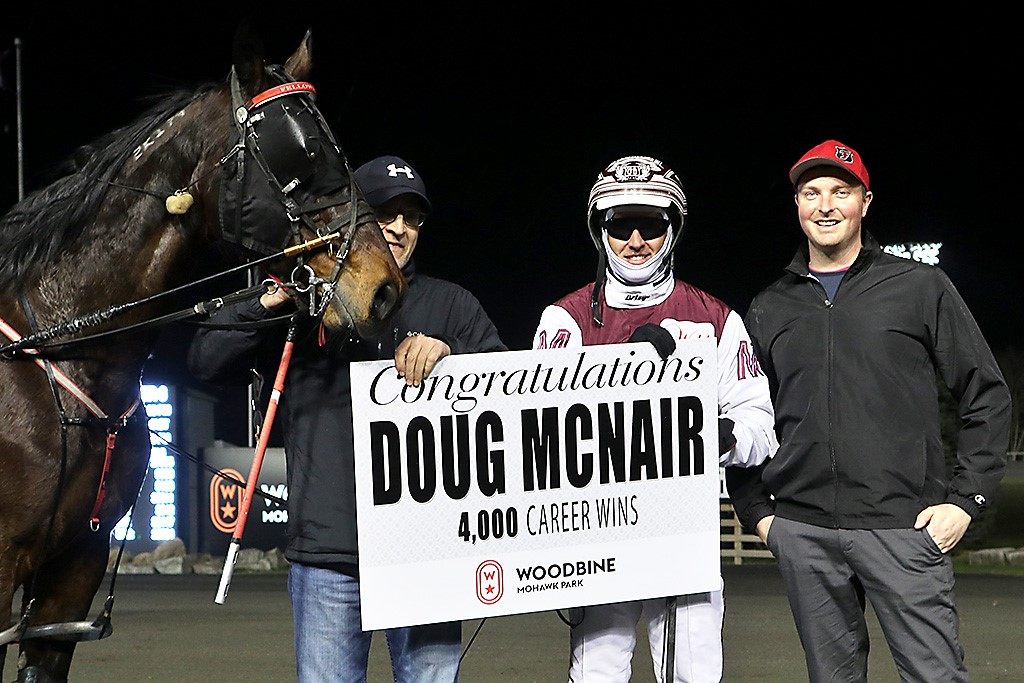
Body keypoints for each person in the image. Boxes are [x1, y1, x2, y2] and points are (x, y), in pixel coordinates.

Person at [188, 155, 507, 682]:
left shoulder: (452, 305)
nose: (401, 228)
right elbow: (205, 361)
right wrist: (269, 301)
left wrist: (451, 356)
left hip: (424, 552)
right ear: (351, 219)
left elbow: (512, 388)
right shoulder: (304, 303)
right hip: (329, 553)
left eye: (412, 218)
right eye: (385, 214)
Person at [727, 139, 1012, 682]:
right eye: (811, 193)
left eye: (841, 191)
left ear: (866, 201)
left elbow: (986, 392)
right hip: (803, 530)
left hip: (903, 527)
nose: (826, 205)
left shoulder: (918, 286)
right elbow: (746, 414)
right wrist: (758, 514)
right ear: (797, 206)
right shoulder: (769, 306)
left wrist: (966, 500)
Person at [532, 155, 778, 682]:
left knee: (694, 672)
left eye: (652, 223)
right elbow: (542, 434)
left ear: (675, 227)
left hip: (684, 529)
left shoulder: (715, 318)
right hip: (596, 530)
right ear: (600, 230)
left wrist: (720, 435)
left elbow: (760, 424)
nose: (636, 240)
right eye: (621, 225)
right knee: (597, 672)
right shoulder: (565, 319)